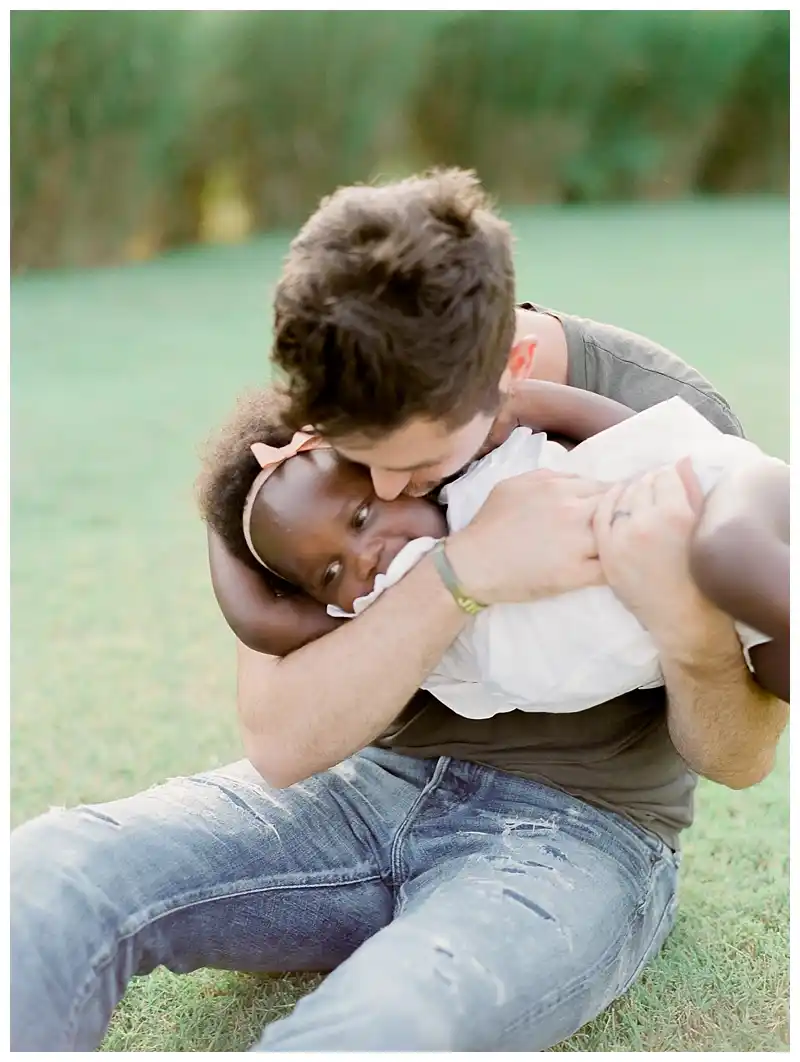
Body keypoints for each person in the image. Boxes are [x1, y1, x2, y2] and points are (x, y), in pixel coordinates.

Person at [11, 168, 788, 1051]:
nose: (381, 489)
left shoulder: (665, 422)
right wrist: (465, 571)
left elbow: (742, 757)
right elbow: (282, 741)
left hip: (576, 835)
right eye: (356, 461)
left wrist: (686, 622)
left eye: (412, 466)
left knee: (381, 1027)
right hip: (351, 793)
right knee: (49, 872)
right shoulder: (331, 415)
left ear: (514, 368)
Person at [197, 384, 788, 716]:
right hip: (736, 628)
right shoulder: (395, 616)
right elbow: (261, 621)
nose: (365, 556)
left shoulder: (488, 479)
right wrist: (224, 514)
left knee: (727, 557)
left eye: (360, 516)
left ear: (391, 473)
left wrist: (520, 403)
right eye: (329, 572)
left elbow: (630, 435)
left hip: (725, 509)